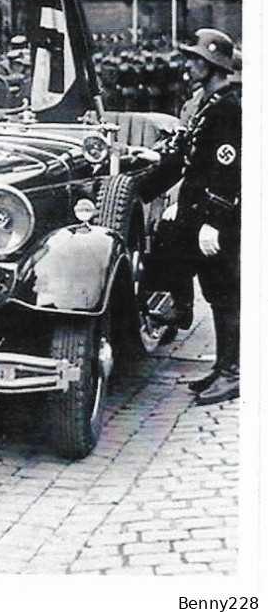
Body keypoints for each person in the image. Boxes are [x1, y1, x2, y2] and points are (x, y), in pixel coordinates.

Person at [140, 28, 241, 405]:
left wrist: (214, 220)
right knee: (214, 292)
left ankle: (233, 372)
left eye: (197, 60)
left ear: (214, 65)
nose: (190, 65)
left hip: (215, 218)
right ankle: (222, 366)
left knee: (225, 293)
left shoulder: (228, 108)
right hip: (196, 213)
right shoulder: (209, 104)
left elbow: (227, 169)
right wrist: (141, 188)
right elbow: (183, 158)